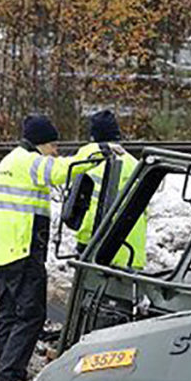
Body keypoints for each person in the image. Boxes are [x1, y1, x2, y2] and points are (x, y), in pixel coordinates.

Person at [0, 115, 102, 381]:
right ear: (41, 144)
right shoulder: (30, 161)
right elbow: (61, 171)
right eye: (53, 146)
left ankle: (8, 365)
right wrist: (96, 154)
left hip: (5, 249)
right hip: (25, 248)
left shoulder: (9, 162)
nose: (55, 152)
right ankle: (8, 374)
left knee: (10, 311)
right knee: (32, 314)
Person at [75, 110, 148, 269]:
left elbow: (91, 212)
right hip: (133, 254)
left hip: (104, 254)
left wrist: (83, 243)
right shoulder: (134, 164)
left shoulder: (96, 164)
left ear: (94, 139)